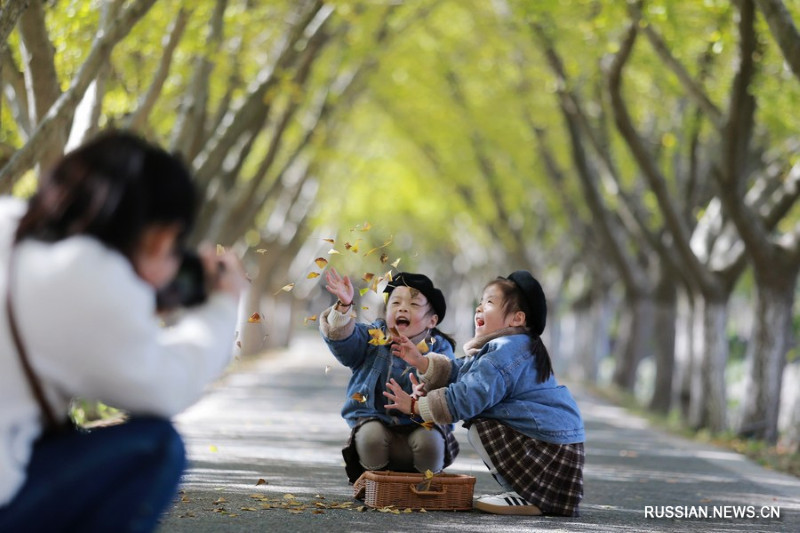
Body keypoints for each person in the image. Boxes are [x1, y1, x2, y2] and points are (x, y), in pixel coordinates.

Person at [0, 131, 249, 532]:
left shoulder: (10, 220)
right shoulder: (87, 273)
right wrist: (221, 307)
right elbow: (164, 388)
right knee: (156, 446)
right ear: (159, 235)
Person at [384, 270, 585, 516]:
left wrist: (415, 407)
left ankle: (527, 496)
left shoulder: (505, 351)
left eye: (489, 302)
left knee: (480, 424)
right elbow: (461, 371)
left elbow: (467, 398)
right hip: (557, 446)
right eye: (479, 302)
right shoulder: (512, 346)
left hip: (550, 450)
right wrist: (421, 361)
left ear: (516, 319)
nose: (479, 308)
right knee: (481, 419)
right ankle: (527, 493)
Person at [320, 268, 459, 483]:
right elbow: (344, 342)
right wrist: (345, 306)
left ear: (432, 321)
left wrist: (422, 366)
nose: (403, 308)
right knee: (370, 436)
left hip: (421, 430)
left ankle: (424, 486)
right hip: (377, 429)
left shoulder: (439, 347)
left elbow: (447, 378)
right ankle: (379, 485)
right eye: (395, 303)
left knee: (430, 441)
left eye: (413, 304)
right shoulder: (374, 337)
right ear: (386, 313)